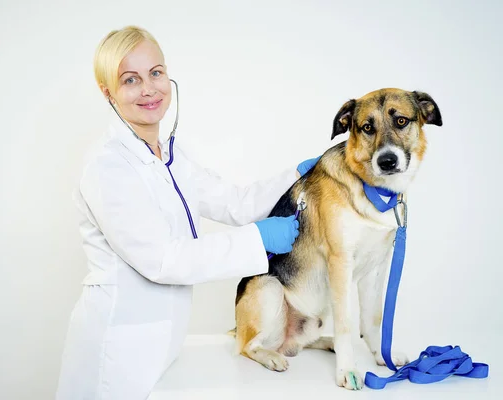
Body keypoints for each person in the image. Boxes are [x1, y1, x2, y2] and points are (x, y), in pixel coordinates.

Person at [55, 25, 320, 399]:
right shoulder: (107, 167)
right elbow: (164, 260)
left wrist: (297, 176)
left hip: (160, 344)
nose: (149, 88)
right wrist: (258, 240)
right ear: (108, 93)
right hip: (116, 350)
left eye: (156, 73)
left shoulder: (171, 155)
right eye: (130, 79)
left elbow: (236, 202)